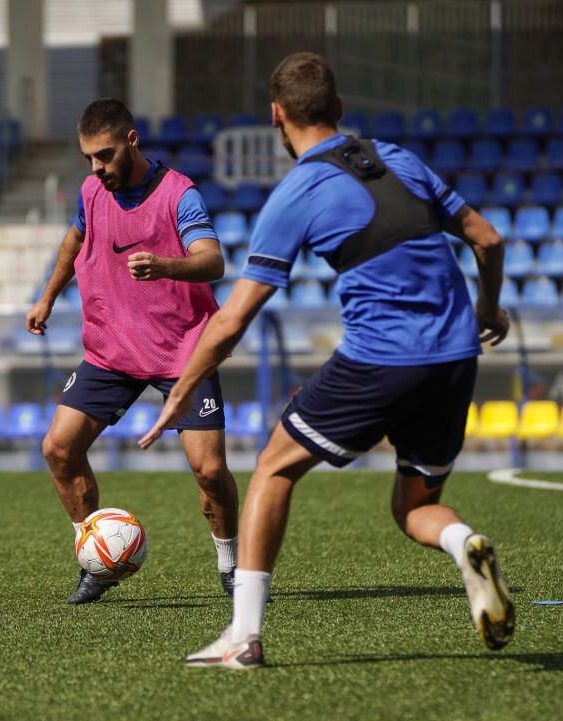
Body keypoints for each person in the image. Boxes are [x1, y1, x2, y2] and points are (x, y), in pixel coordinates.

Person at [139, 52, 515, 668]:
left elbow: (231, 319)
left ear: (276, 117)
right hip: (455, 356)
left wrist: (180, 393)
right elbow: (488, 239)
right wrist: (487, 310)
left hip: (383, 357)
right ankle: (463, 541)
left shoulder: (297, 192)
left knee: (272, 468)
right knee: (415, 506)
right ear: (339, 110)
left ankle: (243, 638)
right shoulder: (398, 158)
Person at [26, 98, 241, 605]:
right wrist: (47, 296)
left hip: (183, 348)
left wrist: (166, 266)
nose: (97, 169)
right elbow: (73, 241)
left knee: (209, 471)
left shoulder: (178, 193)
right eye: (88, 160)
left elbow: (213, 261)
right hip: (112, 348)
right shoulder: (91, 190)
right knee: (59, 449)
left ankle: (232, 566)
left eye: (104, 156)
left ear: (132, 141)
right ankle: (96, 557)